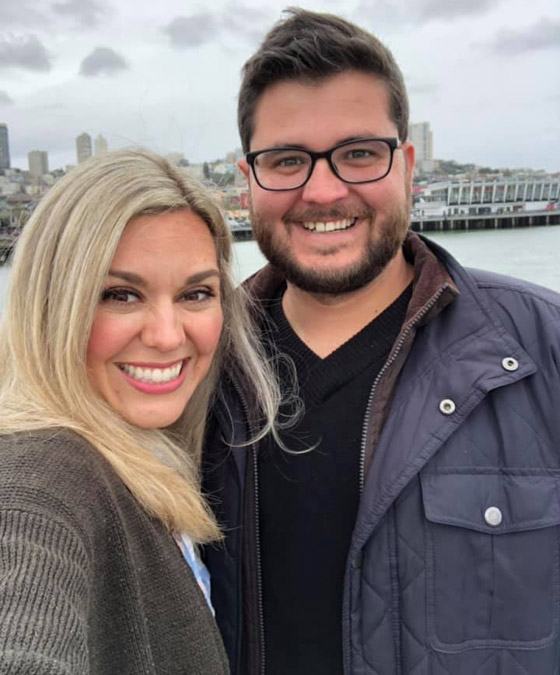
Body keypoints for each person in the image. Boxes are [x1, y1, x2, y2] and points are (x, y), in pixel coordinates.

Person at [203, 8, 560, 675]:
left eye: (359, 153)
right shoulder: (198, 368)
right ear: (247, 178)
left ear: (407, 165)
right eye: (287, 160)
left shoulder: (542, 347)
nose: (323, 190)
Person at [0, 149, 283, 674]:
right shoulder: (40, 477)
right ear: (52, 306)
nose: (168, 336)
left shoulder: (144, 454)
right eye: (121, 295)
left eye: (196, 293)